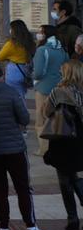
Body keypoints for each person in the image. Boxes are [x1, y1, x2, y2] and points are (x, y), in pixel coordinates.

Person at [0, 63, 46, 230]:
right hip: (14, 147)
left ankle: (3, 228)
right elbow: (24, 118)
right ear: (2, 77)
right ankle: (31, 227)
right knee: (23, 187)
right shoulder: (10, 92)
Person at [43, 59, 83, 230]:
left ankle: (72, 218)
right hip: (80, 139)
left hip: (63, 139)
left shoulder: (58, 91)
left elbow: (47, 112)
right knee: (74, 175)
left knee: (65, 179)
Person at [32, 26, 69, 156]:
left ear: (45, 34)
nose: (38, 34)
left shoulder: (42, 50)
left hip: (43, 88)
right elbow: (66, 68)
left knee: (41, 119)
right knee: (55, 119)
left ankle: (44, 149)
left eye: (40, 32)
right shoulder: (62, 50)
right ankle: (57, 148)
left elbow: (37, 73)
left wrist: (33, 78)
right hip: (58, 88)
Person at [0, 20, 36, 98]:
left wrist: (9, 57)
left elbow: (0, 57)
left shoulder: (11, 44)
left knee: (14, 97)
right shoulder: (29, 41)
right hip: (25, 70)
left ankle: (21, 110)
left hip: (14, 70)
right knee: (21, 95)